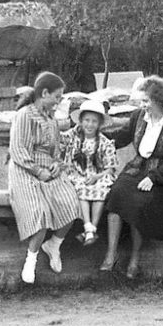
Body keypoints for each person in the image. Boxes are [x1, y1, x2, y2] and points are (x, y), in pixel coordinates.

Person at [101, 76, 163, 278]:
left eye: (146, 101)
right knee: (116, 194)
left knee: (139, 204)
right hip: (136, 169)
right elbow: (121, 136)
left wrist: (153, 178)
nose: (143, 105)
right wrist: (96, 137)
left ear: (158, 100)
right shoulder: (139, 117)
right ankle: (111, 254)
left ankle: (134, 260)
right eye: (142, 101)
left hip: (160, 176)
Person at [8, 71, 80, 283]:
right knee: (40, 213)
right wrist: (38, 171)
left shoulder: (52, 121)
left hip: (49, 170)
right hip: (25, 170)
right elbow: (18, 150)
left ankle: (54, 245)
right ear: (45, 93)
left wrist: (57, 166)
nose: (59, 102)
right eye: (57, 97)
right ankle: (30, 260)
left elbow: (56, 153)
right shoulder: (24, 115)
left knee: (71, 203)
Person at [59, 98, 119, 246]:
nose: (89, 125)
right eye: (86, 120)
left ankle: (91, 229)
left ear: (99, 124)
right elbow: (57, 138)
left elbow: (110, 167)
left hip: (98, 175)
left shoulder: (104, 142)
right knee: (81, 187)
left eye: (94, 121)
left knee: (101, 188)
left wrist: (97, 176)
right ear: (80, 121)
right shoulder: (73, 136)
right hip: (77, 173)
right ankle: (88, 226)